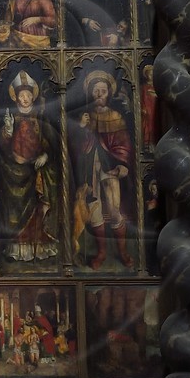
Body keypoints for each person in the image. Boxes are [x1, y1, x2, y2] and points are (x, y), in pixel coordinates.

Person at [72, 71, 134, 269]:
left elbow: (123, 144)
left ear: (109, 94)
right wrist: (81, 128)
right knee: (94, 210)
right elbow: (77, 148)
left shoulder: (115, 116)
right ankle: (101, 252)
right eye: (96, 91)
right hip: (89, 170)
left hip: (110, 169)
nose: (99, 94)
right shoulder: (86, 117)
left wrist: (122, 164)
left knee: (114, 210)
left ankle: (122, 252)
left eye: (103, 91)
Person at [0, 72, 59, 263]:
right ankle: (19, 248)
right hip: (14, 172)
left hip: (37, 169)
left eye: (27, 95)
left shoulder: (40, 117)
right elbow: (1, 144)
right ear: (16, 97)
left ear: (33, 96)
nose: (24, 99)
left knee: (39, 208)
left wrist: (45, 155)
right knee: (15, 212)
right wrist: (7, 130)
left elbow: (52, 142)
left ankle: (38, 246)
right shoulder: (11, 117)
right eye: (21, 95)